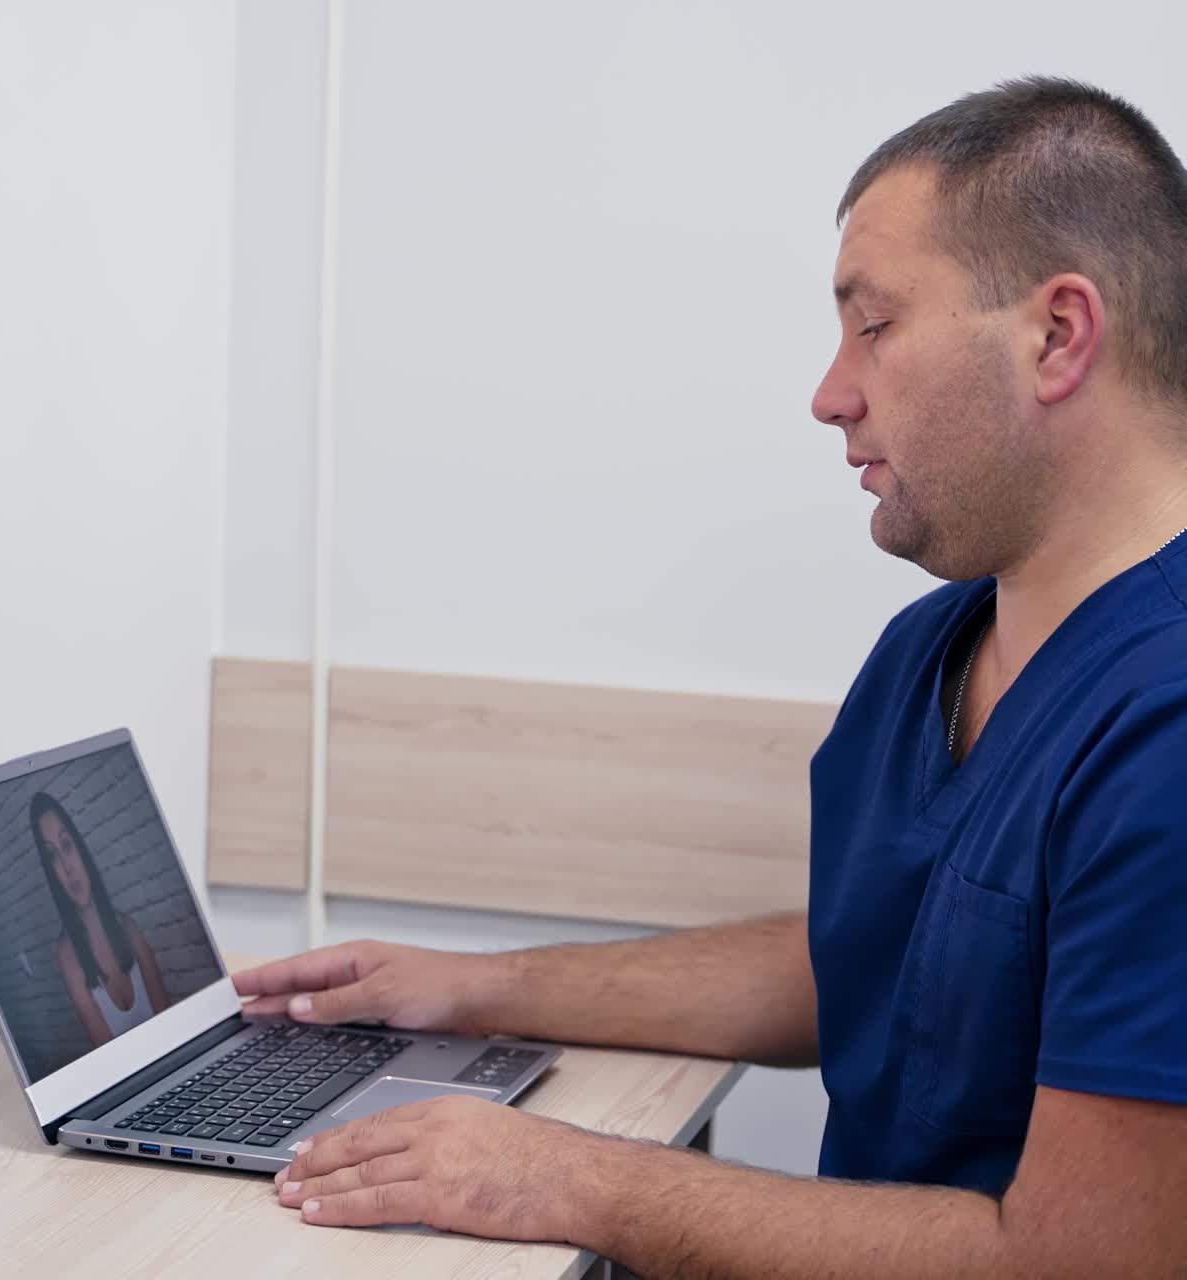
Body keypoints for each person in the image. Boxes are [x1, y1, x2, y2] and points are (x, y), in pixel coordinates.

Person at [233, 77, 1187, 1275]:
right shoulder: (934, 648)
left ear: (1055, 334)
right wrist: (479, 987)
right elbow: (876, 955)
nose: (829, 392)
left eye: (874, 325)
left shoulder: (1165, 729)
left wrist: (566, 1175)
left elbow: (1073, 1264)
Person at [31, 791, 170, 1045]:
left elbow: (169, 1026)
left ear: (80, 850)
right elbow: (109, 1056)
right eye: (52, 856)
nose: (66, 866)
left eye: (67, 846)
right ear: (50, 873)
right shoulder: (68, 955)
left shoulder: (130, 929)